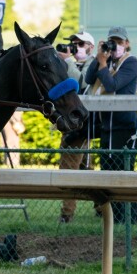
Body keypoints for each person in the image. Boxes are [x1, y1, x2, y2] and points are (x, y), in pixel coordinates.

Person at [85, 26, 137, 221]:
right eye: (112, 41)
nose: (115, 45)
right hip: (107, 127)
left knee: (122, 174)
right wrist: (100, 57)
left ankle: (125, 218)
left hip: (125, 127)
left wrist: (102, 64)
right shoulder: (105, 62)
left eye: (119, 41)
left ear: (127, 44)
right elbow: (88, 78)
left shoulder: (131, 62)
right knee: (106, 173)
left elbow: (112, 85)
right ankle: (111, 216)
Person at [57, 31, 97, 223]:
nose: (75, 47)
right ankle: (100, 205)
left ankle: (67, 214)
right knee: (84, 169)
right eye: (73, 43)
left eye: (80, 44)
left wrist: (68, 62)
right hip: (71, 122)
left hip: (83, 123)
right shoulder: (70, 64)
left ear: (90, 46)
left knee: (68, 168)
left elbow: (81, 83)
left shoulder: (93, 63)